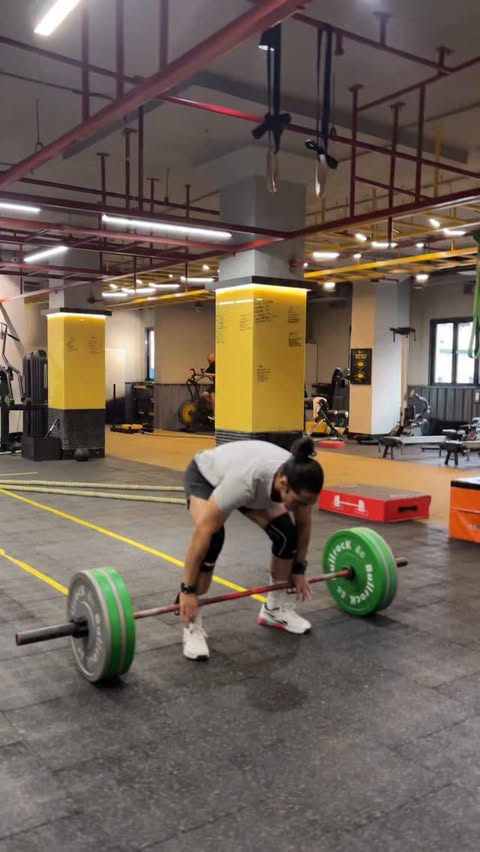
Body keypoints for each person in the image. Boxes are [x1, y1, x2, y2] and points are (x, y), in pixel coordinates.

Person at [180, 436, 324, 660]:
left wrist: (299, 569)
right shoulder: (245, 482)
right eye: (298, 502)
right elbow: (202, 533)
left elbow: (303, 525)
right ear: (283, 483)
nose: (301, 507)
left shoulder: (300, 480)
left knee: (287, 535)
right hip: (206, 477)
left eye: (307, 503)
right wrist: (187, 591)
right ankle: (191, 623)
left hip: (251, 485)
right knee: (214, 537)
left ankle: (273, 610)